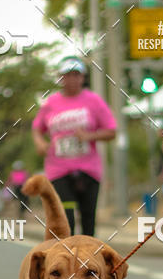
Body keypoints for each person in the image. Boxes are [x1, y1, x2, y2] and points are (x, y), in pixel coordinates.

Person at [32, 56, 116, 236]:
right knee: (65, 218)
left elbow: (111, 131)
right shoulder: (50, 103)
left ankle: (87, 261)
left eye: (76, 75)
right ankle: (67, 260)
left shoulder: (93, 101)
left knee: (88, 219)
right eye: (67, 75)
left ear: (83, 77)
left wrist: (90, 136)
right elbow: (37, 129)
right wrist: (40, 143)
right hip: (59, 169)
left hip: (88, 169)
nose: (71, 79)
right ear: (60, 78)